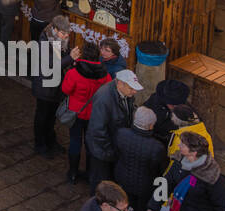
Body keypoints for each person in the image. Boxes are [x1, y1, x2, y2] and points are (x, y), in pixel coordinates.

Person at [148, 132, 225, 211]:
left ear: (193, 152)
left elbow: (222, 209)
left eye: (183, 144)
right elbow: (167, 183)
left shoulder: (211, 175)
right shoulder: (179, 161)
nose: (179, 145)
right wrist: (153, 206)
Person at [114, 106, 168, 211]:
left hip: (124, 180)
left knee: (126, 210)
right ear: (151, 126)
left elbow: (117, 154)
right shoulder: (157, 147)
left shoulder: (121, 134)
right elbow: (161, 170)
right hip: (145, 187)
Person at [87, 68, 144, 190]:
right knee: (100, 181)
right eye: (131, 88)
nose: (134, 91)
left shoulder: (125, 93)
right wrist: (109, 152)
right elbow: (97, 131)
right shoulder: (104, 99)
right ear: (120, 83)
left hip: (113, 146)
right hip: (102, 150)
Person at [61, 51, 109, 184]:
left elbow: (65, 90)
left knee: (75, 142)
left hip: (76, 113)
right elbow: (108, 92)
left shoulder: (74, 73)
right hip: (94, 115)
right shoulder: (104, 75)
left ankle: (73, 173)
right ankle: (89, 172)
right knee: (90, 144)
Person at [31, 16, 77, 158]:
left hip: (56, 84)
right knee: (42, 115)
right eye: (63, 34)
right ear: (55, 29)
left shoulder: (61, 39)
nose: (66, 36)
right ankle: (40, 144)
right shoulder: (45, 41)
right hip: (44, 85)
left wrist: (71, 61)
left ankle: (50, 140)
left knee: (51, 116)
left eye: (67, 34)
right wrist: (70, 58)